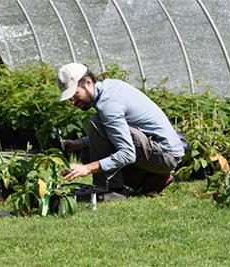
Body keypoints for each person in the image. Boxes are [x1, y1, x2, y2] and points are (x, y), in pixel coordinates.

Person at [57, 63, 184, 196]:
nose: (72, 102)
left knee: (96, 130)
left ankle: (111, 191)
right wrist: (77, 144)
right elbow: (112, 133)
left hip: (166, 156)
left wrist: (87, 168)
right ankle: (152, 180)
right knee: (94, 134)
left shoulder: (109, 105)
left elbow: (128, 154)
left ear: (88, 82)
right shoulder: (109, 87)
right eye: (69, 98)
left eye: (75, 94)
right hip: (159, 153)